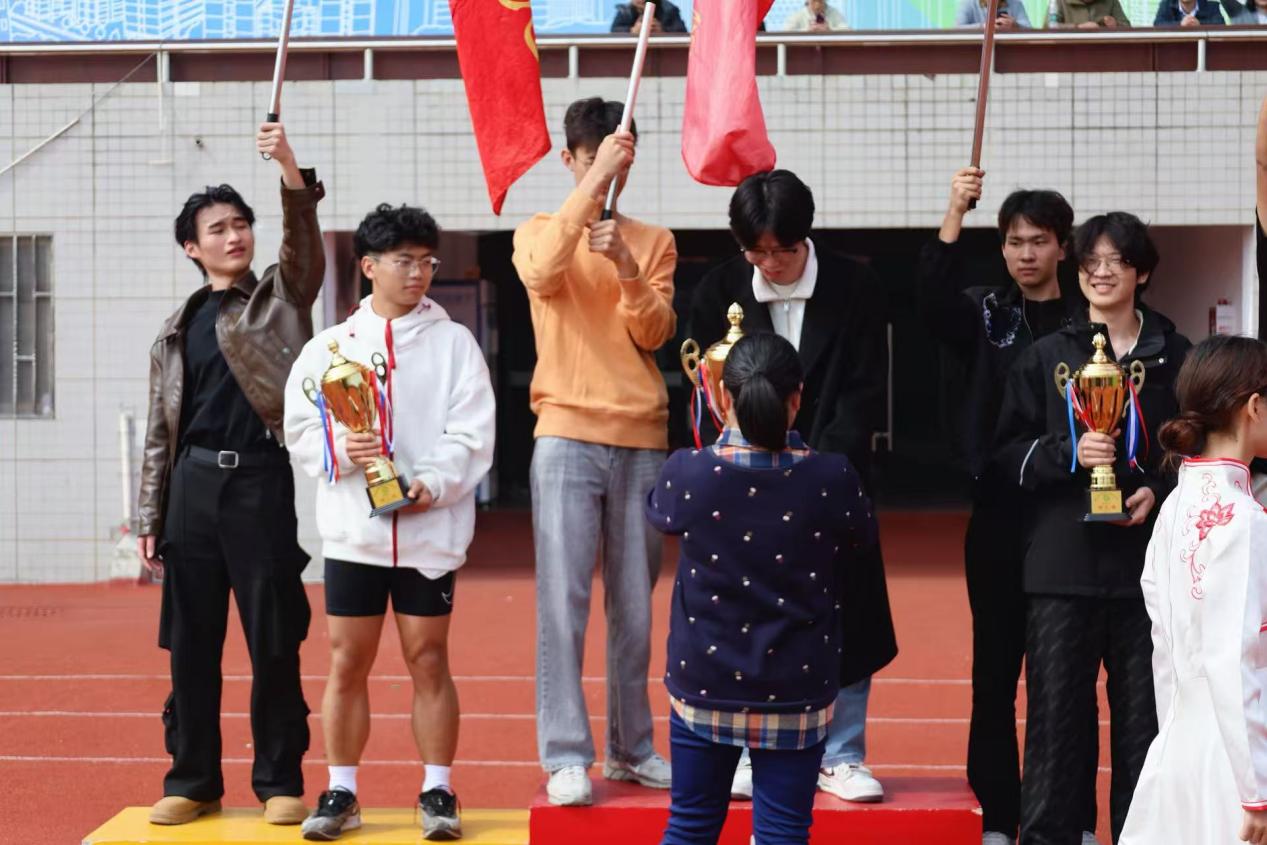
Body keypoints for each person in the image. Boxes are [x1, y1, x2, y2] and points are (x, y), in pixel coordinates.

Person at [285, 204, 495, 841]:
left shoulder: (455, 344)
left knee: (428, 658)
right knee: (347, 660)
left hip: (429, 533)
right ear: (369, 266)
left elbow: (472, 432)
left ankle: (438, 789)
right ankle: (342, 792)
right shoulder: (330, 348)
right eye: (404, 261)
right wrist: (340, 449)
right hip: (356, 534)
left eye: (427, 261)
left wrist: (431, 483)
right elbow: (299, 428)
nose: (418, 273)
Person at [136, 123, 323, 827]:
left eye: (241, 224)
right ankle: (192, 779)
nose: (234, 236)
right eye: (217, 229)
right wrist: (150, 516)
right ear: (192, 247)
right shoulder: (174, 328)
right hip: (191, 491)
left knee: (274, 638)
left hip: (259, 484)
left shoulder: (280, 298)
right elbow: (160, 431)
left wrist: (288, 166)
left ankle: (279, 780)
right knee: (190, 644)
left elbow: (302, 247)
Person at [689, 170, 895, 805]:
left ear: (806, 236)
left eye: (782, 250)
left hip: (832, 476)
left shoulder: (856, 286)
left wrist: (812, 470)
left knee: (847, 610)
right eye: (756, 252)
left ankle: (843, 753)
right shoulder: (718, 289)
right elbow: (706, 395)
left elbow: (866, 388)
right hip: (743, 485)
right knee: (749, 617)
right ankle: (751, 752)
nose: (770, 263)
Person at [996, 211, 1192, 845]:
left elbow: (1195, 449)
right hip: (1063, 569)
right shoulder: (1046, 357)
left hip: (1147, 574)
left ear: (1143, 273)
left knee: (1146, 728)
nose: (1101, 273)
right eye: (1090, 262)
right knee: (1055, 726)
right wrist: (1067, 453)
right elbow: (1005, 454)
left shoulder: (1176, 356)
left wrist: (1158, 490)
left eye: (1116, 261)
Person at [918, 169, 1094, 845]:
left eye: (1038, 241)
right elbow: (929, 304)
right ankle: (997, 816)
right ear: (1001, 248)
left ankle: (1072, 817)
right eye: (1014, 241)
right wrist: (953, 212)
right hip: (996, 514)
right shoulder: (984, 312)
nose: (1025, 253)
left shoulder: (1085, 322)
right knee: (993, 673)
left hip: (1069, 516)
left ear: (1062, 247)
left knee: (1067, 677)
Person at [647, 332, 879, 845]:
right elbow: (861, 538)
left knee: (689, 828)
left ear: (721, 396)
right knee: (783, 834)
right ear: (797, 398)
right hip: (798, 688)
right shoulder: (832, 477)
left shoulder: (688, 473)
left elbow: (659, 513)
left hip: (704, 686)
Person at [513, 97, 677, 806]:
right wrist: (590, 195)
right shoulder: (538, 229)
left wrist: (628, 267)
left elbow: (655, 333)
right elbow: (542, 274)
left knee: (635, 609)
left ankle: (631, 748)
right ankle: (565, 755)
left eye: (619, 164)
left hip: (640, 435)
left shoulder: (653, 239)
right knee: (563, 602)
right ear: (571, 159)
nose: (610, 175)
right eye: (594, 161)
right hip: (565, 433)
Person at [1117, 335, 1267, 845]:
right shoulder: (1245, 518)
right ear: (1254, 406)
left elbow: (1164, 648)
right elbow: (1235, 660)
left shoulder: (1175, 505)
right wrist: (1255, 790)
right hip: (1238, 760)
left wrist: (1174, 736)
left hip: (1180, 743)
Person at [611, 0, 688, 33]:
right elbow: (614, 31)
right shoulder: (625, 11)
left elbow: (682, 32)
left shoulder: (668, 9)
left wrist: (662, 31)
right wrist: (632, 30)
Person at [1046, 0, 1131, 27]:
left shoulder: (1111, 1)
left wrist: (1116, 24)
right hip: (1068, 53)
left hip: (1104, 52)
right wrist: (1077, 27)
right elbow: (1049, 27)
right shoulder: (1058, 1)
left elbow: (1127, 27)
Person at [956, 0, 1032, 29]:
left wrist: (1015, 25)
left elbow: (1029, 28)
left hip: (1008, 47)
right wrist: (983, 27)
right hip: (976, 48)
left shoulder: (1015, 4)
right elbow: (958, 28)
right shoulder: (968, 3)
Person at [783, 0, 850, 31]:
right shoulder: (798, 15)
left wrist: (829, 30)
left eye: (820, 1)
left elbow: (847, 31)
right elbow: (786, 32)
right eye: (814, 1)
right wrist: (807, 30)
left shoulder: (834, 13)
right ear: (807, 1)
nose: (817, 5)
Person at [1153, 0, 1226, 25]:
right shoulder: (1166, 5)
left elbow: (1220, 24)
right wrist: (1180, 24)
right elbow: (1158, 24)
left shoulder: (1211, 6)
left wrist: (1199, 24)